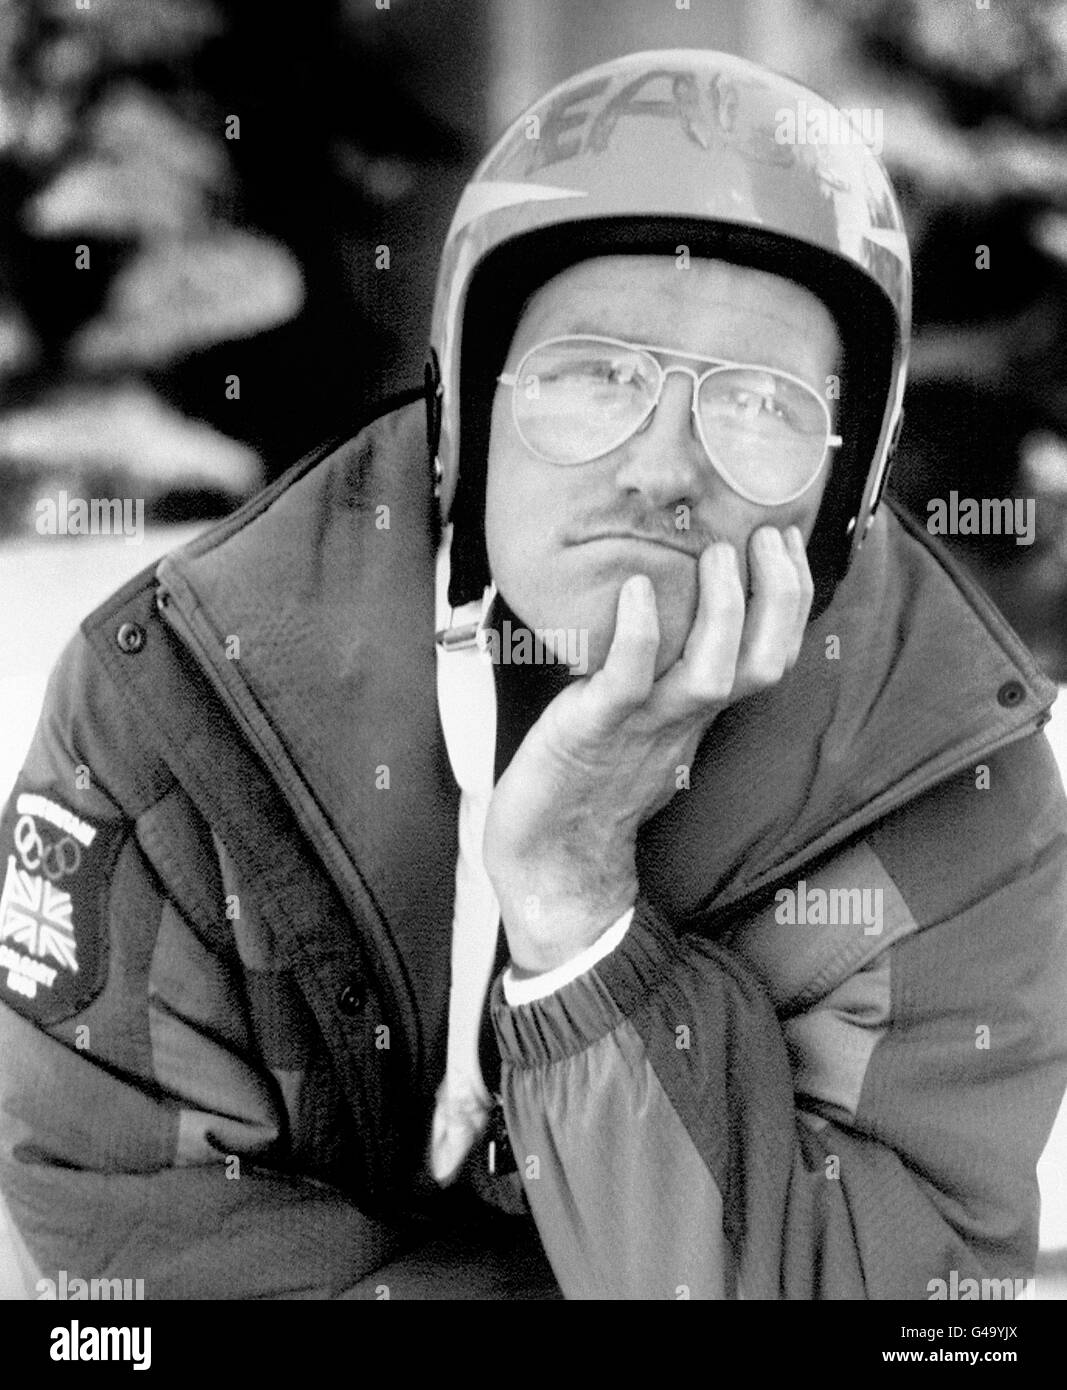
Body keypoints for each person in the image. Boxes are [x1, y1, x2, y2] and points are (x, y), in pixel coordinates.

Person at [1, 49, 1065, 1301]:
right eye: (591, 376)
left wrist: (581, 915)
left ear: (844, 488)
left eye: (760, 404)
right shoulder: (174, 704)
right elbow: (115, 1252)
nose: (662, 466)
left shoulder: (948, 788)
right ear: (470, 415)